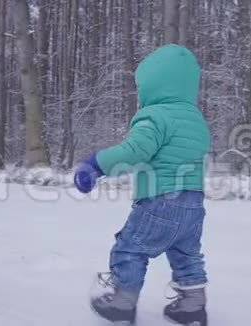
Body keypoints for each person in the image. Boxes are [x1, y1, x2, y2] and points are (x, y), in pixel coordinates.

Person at [74, 44, 211, 326]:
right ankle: (193, 307)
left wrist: (96, 164)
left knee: (131, 247)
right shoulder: (196, 120)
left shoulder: (156, 115)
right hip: (194, 204)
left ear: (153, 83)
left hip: (160, 200)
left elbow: (134, 151)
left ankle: (122, 304)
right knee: (186, 253)